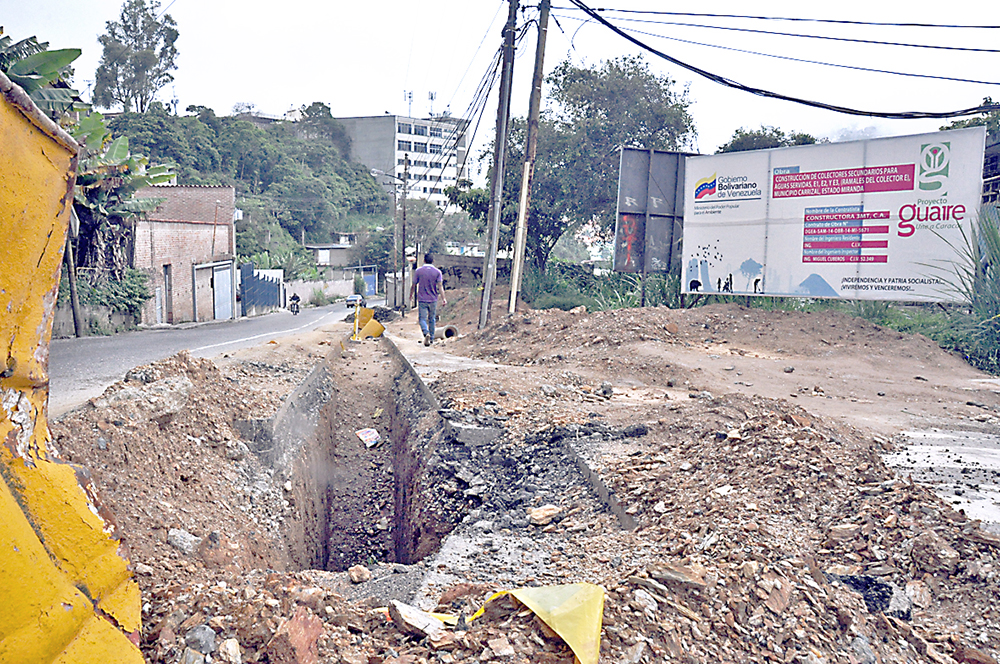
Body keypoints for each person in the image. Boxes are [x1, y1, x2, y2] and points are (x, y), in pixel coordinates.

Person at [410, 253, 446, 346]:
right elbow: (440, 286)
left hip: (422, 299)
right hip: (433, 299)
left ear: (424, 260)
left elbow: (413, 285)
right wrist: (443, 298)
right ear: (433, 261)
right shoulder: (437, 272)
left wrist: (410, 296)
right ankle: (432, 339)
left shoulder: (419, 271)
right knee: (432, 319)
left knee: (422, 319)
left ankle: (426, 333)